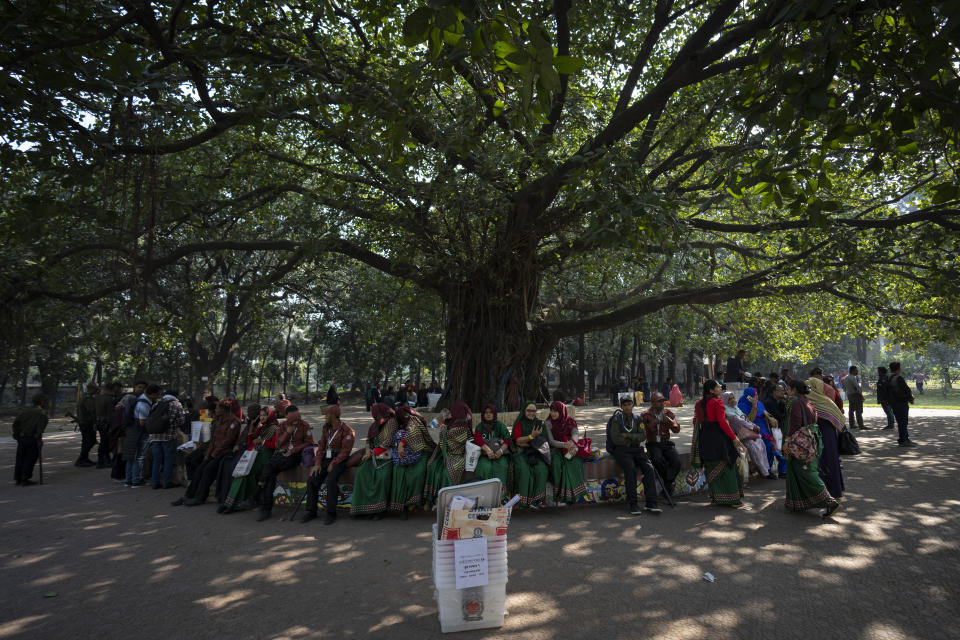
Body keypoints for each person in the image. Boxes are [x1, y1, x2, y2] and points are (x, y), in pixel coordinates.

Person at [783, 380, 842, 518]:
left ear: (793, 389)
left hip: (800, 442)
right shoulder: (807, 401)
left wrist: (787, 441)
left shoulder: (796, 402)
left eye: (788, 389)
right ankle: (796, 503)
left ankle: (831, 502)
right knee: (802, 471)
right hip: (811, 440)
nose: (787, 391)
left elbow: (795, 423)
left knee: (807, 473)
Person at [173, 400, 240, 506]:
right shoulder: (219, 421)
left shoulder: (234, 422)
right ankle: (188, 495)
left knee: (208, 470)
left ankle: (200, 497)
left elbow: (228, 441)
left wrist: (214, 453)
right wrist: (208, 454)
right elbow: (213, 439)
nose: (215, 410)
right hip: (214, 451)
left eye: (217, 408)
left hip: (225, 452)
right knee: (199, 469)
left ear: (223, 409)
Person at [693, 380, 746, 507]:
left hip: (705, 437)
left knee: (711, 466)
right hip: (719, 437)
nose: (720, 387)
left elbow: (697, 420)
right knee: (728, 465)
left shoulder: (698, 403)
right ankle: (733, 500)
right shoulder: (717, 402)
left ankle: (716, 497)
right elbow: (722, 423)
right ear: (711, 390)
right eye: (717, 386)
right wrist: (734, 438)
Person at [256, 405, 314, 521]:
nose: (297, 420)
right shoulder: (282, 426)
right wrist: (287, 433)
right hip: (281, 454)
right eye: (293, 419)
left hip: (294, 456)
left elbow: (309, 443)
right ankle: (266, 508)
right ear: (287, 417)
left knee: (269, 467)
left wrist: (293, 450)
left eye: (298, 417)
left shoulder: (304, 425)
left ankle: (260, 489)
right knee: (271, 474)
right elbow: (277, 445)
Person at [606, 395, 662, 515]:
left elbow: (642, 436)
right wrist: (633, 439)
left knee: (649, 468)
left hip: (637, 450)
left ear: (633, 405)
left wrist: (628, 436)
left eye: (629, 404)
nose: (627, 407)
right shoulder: (616, 419)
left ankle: (651, 503)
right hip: (622, 450)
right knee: (630, 469)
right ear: (621, 406)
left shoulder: (638, 419)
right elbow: (616, 439)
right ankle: (633, 504)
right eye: (624, 405)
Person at [302, 404, 356, 525]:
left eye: (327, 414)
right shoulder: (326, 428)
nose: (325, 416)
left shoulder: (347, 430)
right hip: (326, 458)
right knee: (312, 480)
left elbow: (345, 451)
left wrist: (334, 462)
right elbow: (321, 448)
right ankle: (311, 511)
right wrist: (317, 463)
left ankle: (331, 513)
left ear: (333, 415)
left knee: (331, 480)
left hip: (340, 460)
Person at [221, 405, 279, 513]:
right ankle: (229, 503)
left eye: (264, 415)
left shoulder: (274, 428)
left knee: (245, 473)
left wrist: (262, 442)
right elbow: (250, 441)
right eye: (261, 415)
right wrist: (252, 426)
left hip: (264, 458)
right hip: (255, 456)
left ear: (270, 415)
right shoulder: (262, 428)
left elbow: (275, 445)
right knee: (240, 473)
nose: (262, 418)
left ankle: (237, 504)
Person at [389, 405, 437, 517]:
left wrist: (401, 444)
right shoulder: (397, 423)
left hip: (423, 450)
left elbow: (413, 431)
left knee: (417, 473)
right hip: (406, 453)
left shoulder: (415, 419)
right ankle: (401, 506)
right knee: (399, 472)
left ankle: (413, 502)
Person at [351, 403, 396, 519]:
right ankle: (365, 510)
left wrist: (374, 453)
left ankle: (380, 510)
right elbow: (368, 440)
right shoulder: (374, 425)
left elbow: (388, 442)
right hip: (372, 456)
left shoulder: (392, 422)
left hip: (387, 458)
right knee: (362, 472)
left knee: (382, 477)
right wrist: (367, 451)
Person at [423, 400, 473, 504]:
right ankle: (432, 498)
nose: (450, 413)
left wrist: (443, 430)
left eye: (453, 410)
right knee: (431, 465)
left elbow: (450, 445)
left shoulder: (462, 427)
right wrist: (443, 425)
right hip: (447, 454)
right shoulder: (451, 423)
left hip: (458, 455)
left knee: (447, 472)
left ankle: (448, 501)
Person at [805, 377, 846, 499]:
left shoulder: (811, 402)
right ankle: (835, 489)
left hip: (821, 436)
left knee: (823, 462)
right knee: (831, 461)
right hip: (830, 436)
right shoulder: (827, 401)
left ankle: (826, 492)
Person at [723, 391, 775, 480]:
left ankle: (766, 470)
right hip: (742, 436)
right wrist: (753, 426)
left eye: (733, 398)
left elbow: (746, 419)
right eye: (729, 399)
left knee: (762, 444)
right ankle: (765, 472)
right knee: (754, 447)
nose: (732, 400)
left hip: (752, 433)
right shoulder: (729, 410)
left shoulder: (736, 408)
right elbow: (741, 421)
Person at [545, 401, 587, 505]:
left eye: (556, 411)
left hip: (570, 448)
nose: (553, 413)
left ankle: (573, 495)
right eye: (551, 411)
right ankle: (559, 494)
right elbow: (551, 441)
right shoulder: (548, 423)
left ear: (562, 411)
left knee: (575, 462)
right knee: (556, 464)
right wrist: (565, 445)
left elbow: (575, 434)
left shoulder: (569, 421)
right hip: (555, 450)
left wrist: (572, 444)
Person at [737, 386, 783, 478]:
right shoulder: (742, 405)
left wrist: (770, 417)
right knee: (767, 446)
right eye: (755, 394)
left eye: (757, 394)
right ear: (748, 396)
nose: (757, 396)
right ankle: (766, 471)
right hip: (752, 432)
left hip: (765, 431)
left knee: (773, 448)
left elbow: (765, 413)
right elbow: (749, 420)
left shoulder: (760, 404)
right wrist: (754, 406)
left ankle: (771, 470)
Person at [641, 392, 682, 495]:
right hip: (653, 443)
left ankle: (667, 483)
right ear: (652, 403)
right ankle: (668, 485)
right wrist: (656, 421)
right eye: (659, 402)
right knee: (657, 459)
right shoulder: (645, 414)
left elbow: (676, 430)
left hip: (666, 443)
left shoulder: (668, 413)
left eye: (663, 401)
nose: (662, 403)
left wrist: (670, 422)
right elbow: (645, 432)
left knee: (677, 461)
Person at [512, 402, 550, 508]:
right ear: (524, 411)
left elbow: (543, 441)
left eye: (533, 411)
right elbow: (518, 441)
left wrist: (528, 442)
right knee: (524, 470)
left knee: (542, 468)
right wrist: (532, 436)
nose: (531, 413)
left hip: (536, 452)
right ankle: (523, 501)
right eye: (529, 410)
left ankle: (538, 500)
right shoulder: (519, 423)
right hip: (521, 452)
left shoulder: (540, 424)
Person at [472, 404, 512, 501]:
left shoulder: (500, 425)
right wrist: (488, 450)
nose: (488, 415)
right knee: (484, 467)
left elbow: (507, 439)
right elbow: (477, 439)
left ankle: (501, 497)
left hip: (500, 455)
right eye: (486, 413)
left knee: (501, 466)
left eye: (491, 413)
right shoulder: (480, 426)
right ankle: (482, 497)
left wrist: (501, 451)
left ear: (494, 414)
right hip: (485, 455)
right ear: (483, 414)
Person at [149, 389, 186, 489]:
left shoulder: (157, 404)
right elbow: (181, 421)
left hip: (155, 436)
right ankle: (166, 482)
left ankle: (155, 482)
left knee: (156, 460)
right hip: (169, 436)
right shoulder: (176, 404)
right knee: (168, 460)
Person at [125, 384, 159, 487]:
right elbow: (142, 422)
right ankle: (136, 480)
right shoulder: (144, 404)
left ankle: (128, 479)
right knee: (139, 457)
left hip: (133, 431)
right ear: (152, 394)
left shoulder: (140, 399)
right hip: (140, 433)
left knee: (131, 457)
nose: (158, 396)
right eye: (157, 394)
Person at [12, 394, 48, 485]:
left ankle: (18, 478)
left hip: (22, 437)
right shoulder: (41, 413)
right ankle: (25, 478)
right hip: (32, 438)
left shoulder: (25, 411)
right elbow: (40, 429)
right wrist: (38, 439)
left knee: (20, 458)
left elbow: (15, 423)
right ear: (42, 402)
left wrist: (16, 435)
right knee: (30, 458)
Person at [888, 362, 916, 446]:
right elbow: (906, 389)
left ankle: (905, 438)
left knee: (900, 421)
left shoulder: (889, 377)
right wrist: (910, 398)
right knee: (903, 422)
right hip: (901, 402)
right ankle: (903, 440)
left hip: (893, 402)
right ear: (898, 369)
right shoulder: (898, 378)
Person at [94, 382, 118, 468]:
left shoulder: (98, 397)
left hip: (99, 421)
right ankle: (101, 462)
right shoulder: (110, 399)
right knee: (105, 443)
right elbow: (110, 413)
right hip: (106, 422)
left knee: (104, 442)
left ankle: (105, 460)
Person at [75, 382, 99, 467]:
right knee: (90, 441)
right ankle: (81, 459)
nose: (97, 391)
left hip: (84, 422)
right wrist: (95, 422)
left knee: (86, 441)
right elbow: (92, 411)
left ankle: (84, 458)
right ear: (92, 389)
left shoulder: (84, 397)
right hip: (87, 423)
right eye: (96, 389)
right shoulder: (88, 398)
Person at [841, 366, 867, 431]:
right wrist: (861, 395)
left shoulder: (846, 378)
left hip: (849, 395)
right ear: (853, 371)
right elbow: (856, 387)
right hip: (856, 395)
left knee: (851, 410)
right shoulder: (853, 378)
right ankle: (861, 425)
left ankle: (852, 424)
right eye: (856, 370)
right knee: (858, 410)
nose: (857, 371)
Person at [875, 366, 896, 430]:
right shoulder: (887, 377)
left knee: (888, 411)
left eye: (878, 371)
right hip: (888, 398)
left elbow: (883, 390)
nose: (878, 372)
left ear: (881, 372)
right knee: (889, 411)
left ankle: (891, 425)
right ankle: (891, 424)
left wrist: (881, 399)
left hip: (885, 398)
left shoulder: (883, 379)